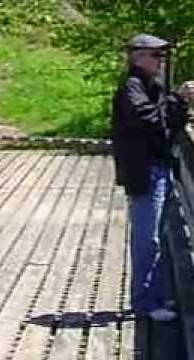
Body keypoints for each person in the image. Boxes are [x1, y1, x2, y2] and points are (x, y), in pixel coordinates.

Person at [112, 34, 193, 321]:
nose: (161, 60)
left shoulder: (151, 86)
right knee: (148, 240)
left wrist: (181, 105)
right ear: (137, 56)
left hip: (158, 168)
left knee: (156, 236)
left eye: (162, 55)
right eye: (155, 55)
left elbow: (168, 123)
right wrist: (177, 99)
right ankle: (145, 303)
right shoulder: (131, 87)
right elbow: (147, 120)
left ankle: (154, 296)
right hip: (144, 171)